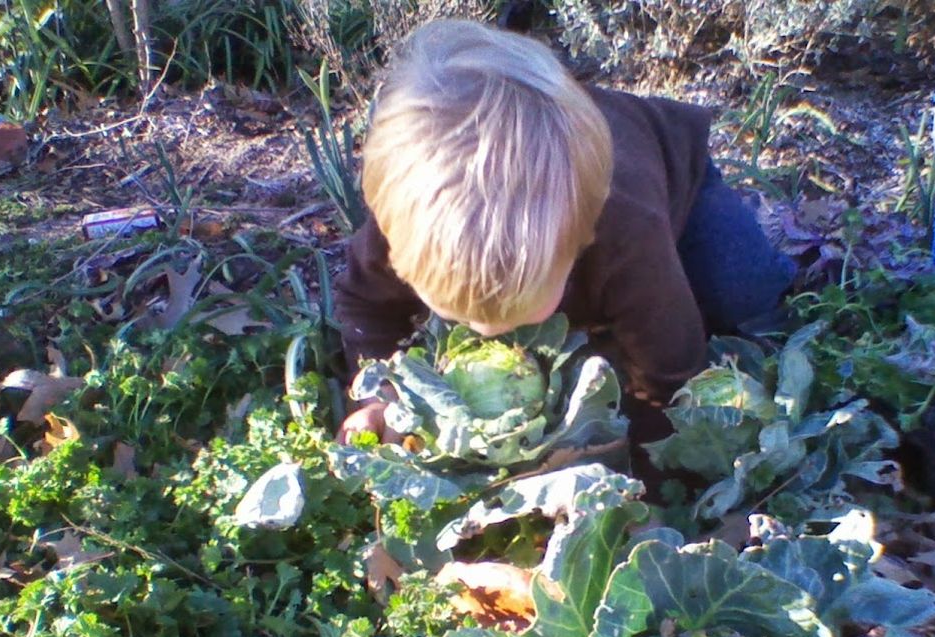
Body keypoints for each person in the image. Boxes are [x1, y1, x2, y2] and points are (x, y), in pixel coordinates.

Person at [334, 18, 795, 446]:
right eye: (460, 313)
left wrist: (640, 475)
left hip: (677, 181)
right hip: (595, 206)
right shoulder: (409, 221)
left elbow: (671, 377)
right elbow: (363, 306)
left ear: (579, 242)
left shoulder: (628, 232)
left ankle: (788, 269)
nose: (487, 331)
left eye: (515, 313)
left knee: (741, 294)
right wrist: (379, 396)